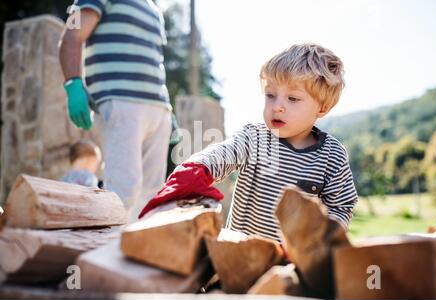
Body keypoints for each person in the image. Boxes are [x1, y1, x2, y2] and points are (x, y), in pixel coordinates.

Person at [139, 43, 359, 243]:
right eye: (270, 95)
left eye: (292, 98)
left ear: (322, 108)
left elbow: (341, 206)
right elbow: (225, 151)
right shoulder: (256, 137)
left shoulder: (331, 155)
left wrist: (326, 236)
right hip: (240, 255)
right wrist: (198, 168)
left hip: (295, 263)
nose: (277, 106)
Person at [59, 0, 172, 221]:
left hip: (159, 111)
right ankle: (103, 253)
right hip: (121, 101)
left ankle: (137, 252)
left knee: (152, 197)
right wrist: (72, 83)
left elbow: (153, 60)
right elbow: (71, 36)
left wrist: (167, 110)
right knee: (122, 191)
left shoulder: (153, 8)